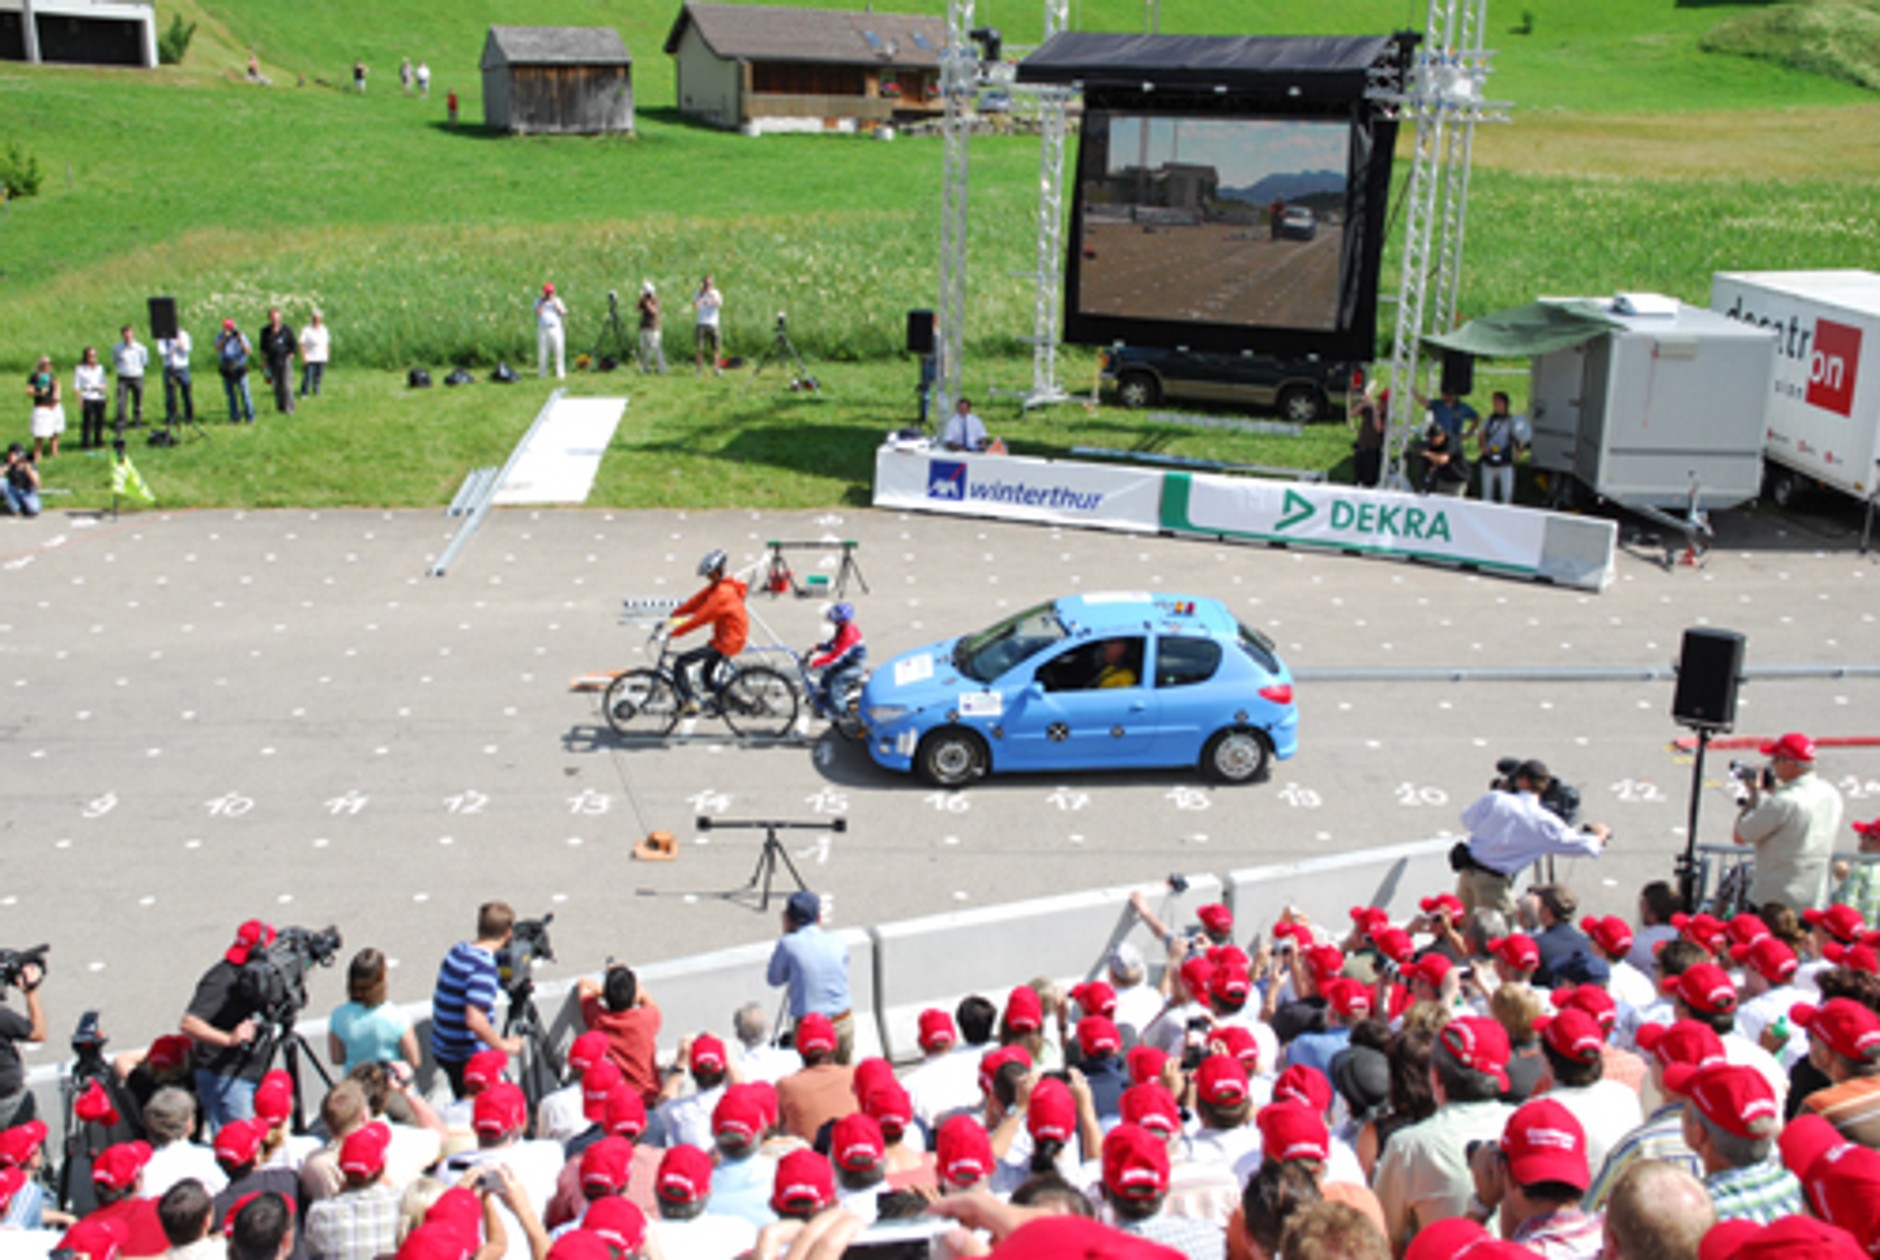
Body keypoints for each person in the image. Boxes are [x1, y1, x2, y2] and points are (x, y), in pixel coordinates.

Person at [1454, 760, 1609, 917]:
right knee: (1504, 936)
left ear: (1523, 780)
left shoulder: (1495, 799)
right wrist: (1600, 834)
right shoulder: (1542, 820)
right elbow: (1580, 845)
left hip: (1469, 872)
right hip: (1495, 883)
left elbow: (1467, 820)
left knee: (1460, 926)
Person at [179, 920, 277, 1129]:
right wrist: (229, 1039)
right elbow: (189, 1023)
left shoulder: (260, 976)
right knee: (238, 1143)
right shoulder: (221, 978)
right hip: (226, 1076)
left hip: (248, 1070)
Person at [1733, 732, 1845, 912]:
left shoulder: (1784, 801)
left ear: (1790, 763)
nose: (1772, 765)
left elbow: (1741, 834)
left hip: (1774, 901)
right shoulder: (1831, 794)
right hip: (1813, 899)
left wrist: (1754, 795)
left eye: (1775, 760)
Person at [430, 903, 525, 1099]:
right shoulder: (483, 967)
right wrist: (503, 1045)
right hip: (466, 1056)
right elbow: (475, 1019)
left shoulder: (459, 951)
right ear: (507, 934)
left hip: (443, 1048)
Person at [767, 890, 854, 1064]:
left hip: (811, 1028)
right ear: (818, 918)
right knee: (845, 1078)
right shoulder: (838, 940)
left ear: (788, 919)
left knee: (810, 1079)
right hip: (843, 1020)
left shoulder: (788, 944)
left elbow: (774, 978)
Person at [666, 548, 748, 715]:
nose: (708, 578)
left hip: (727, 641)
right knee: (706, 678)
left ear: (718, 572)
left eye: (710, 575)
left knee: (680, 662)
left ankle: (690, 702)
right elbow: (697, 601)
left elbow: (700, 617)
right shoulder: (719, 586)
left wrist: (675, 632)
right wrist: (677, 613)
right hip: (726, 638)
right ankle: (736, 702)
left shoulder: (722, 594)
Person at [327, 948, 420, 1077]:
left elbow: (336, 1059)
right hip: (389, 1087)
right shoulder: (397, 1017)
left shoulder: (338, 1016)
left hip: (355, 1089)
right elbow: (414, 1061)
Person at [0, 952, 45, 1128]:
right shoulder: (2, 1017)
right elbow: (37, 1033)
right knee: (30, 1148)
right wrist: (31, 991)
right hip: (9, 1103)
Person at [806, 602, 865, 720]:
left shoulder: (848, 635)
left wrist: (816, 663)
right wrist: (818, 647)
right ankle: (824, 699)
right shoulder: (843, 628)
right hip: (846, 662)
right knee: (827, 676)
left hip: (853, 666)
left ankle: (840, 712)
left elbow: (836, 657)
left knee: (836, 684)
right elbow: (833, 644)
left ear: (843, 620)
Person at [1475, 391, 1524, 504]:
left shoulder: (1511, 421)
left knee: (1506, 494)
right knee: (1487, 494)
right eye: (1494, 402)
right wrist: (1483, 447)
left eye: (1498, 402)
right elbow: (1482, 435)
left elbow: (1518, 438)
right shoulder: (1489, 420)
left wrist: (1519, 450)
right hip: (1489, 460)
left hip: (1505, 461)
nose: (1495, 404)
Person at [257, 309, 297, 415]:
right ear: (269, 318)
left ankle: (290, 407)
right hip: (271, 362)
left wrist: (290, 356)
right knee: (276, 385)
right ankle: (280, 406)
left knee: (287, 384)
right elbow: (263, 349)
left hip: (285, 360)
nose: (275, 320)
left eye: (277, 318)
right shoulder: (265, 332)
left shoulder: (286, 330)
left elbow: (293, 345)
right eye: (273, 318)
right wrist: (264, 364)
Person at [215, 320, 256, 424]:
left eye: (231, 328)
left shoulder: (241, 336)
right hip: (227, 366)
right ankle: (234, 416)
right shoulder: (221, 336)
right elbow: (217, 348)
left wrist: (240, 339)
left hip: (239, 366)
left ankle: (250, 416)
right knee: (230, 394)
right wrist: (225, 338)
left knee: (245, 393)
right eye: (227, 328)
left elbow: (248, 351)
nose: (229, 330)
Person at [26, 355, 63, 461]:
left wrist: (57, 395)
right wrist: (38, 393)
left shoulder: (50, 375)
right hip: (42, 406)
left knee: (55, 432)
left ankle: (54, 452)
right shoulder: (35, 376)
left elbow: (56, 386)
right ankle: (37, 455)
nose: (48, 366)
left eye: (50, 364)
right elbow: (29, 391)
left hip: (53, 406)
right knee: (40, 433)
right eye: (46, 364)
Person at [1416, 420, 1466, 496]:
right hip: (1442, 479)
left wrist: (1428, 454)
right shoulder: (1431, 445)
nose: (1432, 441)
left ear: (1442, 436)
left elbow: (1443, 460)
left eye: (1434, 438)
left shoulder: (1452, 442)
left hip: (1456, 480)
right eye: (1430, 438)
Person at [158, 325, 195, 428]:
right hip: (170, 368)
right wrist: (171, 350)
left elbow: (186, 348)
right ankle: (171, 416)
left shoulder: (184, 335)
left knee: (186, 392)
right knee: (170, 395)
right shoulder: (164, 337)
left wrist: (178, 340)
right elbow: (161, 351)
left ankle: (189, 416)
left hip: (182, 367)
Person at [113, 325, 148, 430]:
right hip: (123, 377)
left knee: (138, 400)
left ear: (133, 334)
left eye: (129, 333)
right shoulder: (117, 348)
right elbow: (115, 361)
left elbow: (145, 362)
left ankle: (137, 421)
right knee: (121, 401)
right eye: (125, 334)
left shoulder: (140, 348)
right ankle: (121, 421)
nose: (128, 336)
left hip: (137, 376)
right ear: (122, 335)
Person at [74, 345, 108, 450]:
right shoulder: (80, 369)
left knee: (100, 421)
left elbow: (104, 383)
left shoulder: (100, 368)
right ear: (86, 357)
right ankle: (86, 443)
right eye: (91, 356)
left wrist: (103, 387)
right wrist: (79, 400)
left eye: (94, 355)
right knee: (87, 422)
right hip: (87, 396)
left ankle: (98, 441)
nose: (93, 358)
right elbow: (76, 386)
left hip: (99, 396)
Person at [1351, 390, 1386, 489]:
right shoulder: (1369, 410)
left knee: (1370, 480)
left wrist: (1376, 410)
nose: (1381, 404)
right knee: (1358, 477)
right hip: (1362, 447)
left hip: (1373, 450)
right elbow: (1353, 413)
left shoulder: (1386, 415)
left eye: (1384, 402)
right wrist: (1364, 403)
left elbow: (1379, 428)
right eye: (1381, 401)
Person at [535, 284, 567, 380]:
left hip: (555, 328)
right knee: (543, 352)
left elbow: (561, 312)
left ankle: (560, 373)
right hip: (543, 328)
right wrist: (543, 302)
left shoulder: (557, 301)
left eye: (550, 293)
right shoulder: (538, 301)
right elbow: (537, 313)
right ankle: (542, 373)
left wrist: (554, 303)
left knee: (559, 350)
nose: (549, 295)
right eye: (547, 293)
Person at [693, 275, 723, 376]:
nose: (707, 285)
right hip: (701, 323)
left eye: (709, 284)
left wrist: (710, 294)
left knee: (716, 348)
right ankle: (698, 369)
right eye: (706, 283)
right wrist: (701, 294)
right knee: (699, 348)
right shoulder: (698, 293)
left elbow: (719, 304)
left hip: (713, 323)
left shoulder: (716, 293)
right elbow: (695, 306)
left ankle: (716, 369)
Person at [4, 442, 42, 520]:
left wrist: (27, 469)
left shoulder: (29, 463)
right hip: (13, 489)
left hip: (27, 491)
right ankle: (16, 507)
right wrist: (8, 466)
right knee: (2, 482)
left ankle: (23, 505)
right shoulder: (8, 463)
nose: (11, 457)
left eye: (13, 455)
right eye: (10, 455)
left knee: (34, 509)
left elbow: (37, 483)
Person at [635, 282, 665, 374]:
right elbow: (637, 308)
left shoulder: (656, 300)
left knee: (656, 349)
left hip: (653, 328)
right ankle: (645, 368)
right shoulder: (645, 300)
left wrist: (646, 301)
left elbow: (654, 311)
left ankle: (662, 369)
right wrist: (641, 299)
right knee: (644, 349)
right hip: (644, 327)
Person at [298, 312, 330, 400]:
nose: (317, 321)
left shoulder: (324, 329)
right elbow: (301, 343)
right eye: (315, 319)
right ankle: (304, 392)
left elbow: (326, 343)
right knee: (308, 375)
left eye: (319, 319)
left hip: (321, 356)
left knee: (319, 376)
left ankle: (316, 391)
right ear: (312, 319)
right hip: (310, 357)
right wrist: (304, 356)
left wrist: (327, 355)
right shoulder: (306, 330)